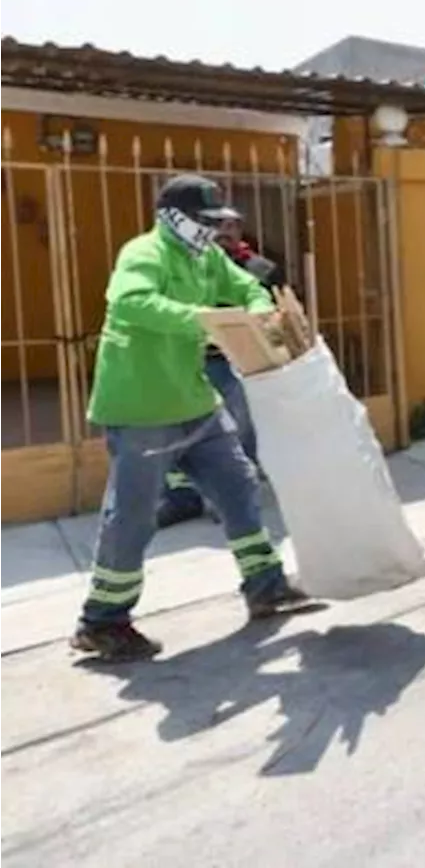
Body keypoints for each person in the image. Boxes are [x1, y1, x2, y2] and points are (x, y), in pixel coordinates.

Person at [71, 174, 311, 663]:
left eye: (216, 222)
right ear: (174, 218)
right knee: (134, 514)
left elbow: (248, 286)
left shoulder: (206, 258)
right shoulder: (144, 254)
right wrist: (204, 320)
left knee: (238, 483)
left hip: (194, 401)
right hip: (142, 407)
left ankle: (265, 586)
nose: (213, 231)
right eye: (205, 221)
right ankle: (102, 621)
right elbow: (130, 302)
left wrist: (258, 313)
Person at [156, 219, 281, 529]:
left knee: (238, 431)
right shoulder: (186, 266)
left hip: (235, 361)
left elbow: (272, 311)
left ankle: (233, 496)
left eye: (232, 226)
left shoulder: (257, 268)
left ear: (241, 231)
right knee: (178, 429)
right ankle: (183, 498)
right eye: (217, 226)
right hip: (187, 361)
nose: (224, 232)